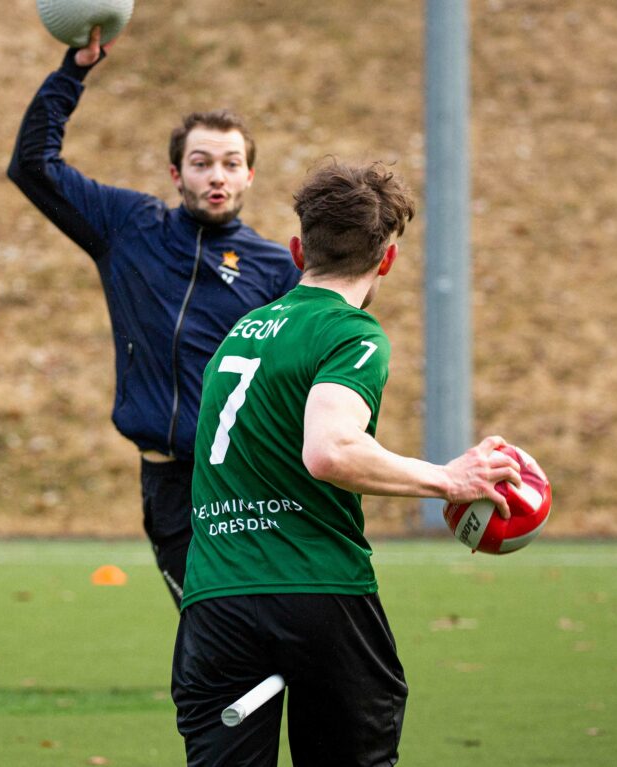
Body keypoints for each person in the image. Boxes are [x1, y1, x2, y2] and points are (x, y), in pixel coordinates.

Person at [171, 160, 523, 766]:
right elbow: (330, 450)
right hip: (318, 595)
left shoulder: (241, 333)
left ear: (298, 248)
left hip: (216, 603)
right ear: (386, 259)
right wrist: (449, 478)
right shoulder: (349, 332)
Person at [8, 29, 301, 608]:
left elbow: (307, 377)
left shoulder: (276, 270)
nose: (215, 175)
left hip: (245, 484)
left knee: (249, 641)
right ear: (176, 175)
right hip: (168, 485)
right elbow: (32, 167)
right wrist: (73, 72)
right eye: (201, 163)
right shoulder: (129, 227)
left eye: (230, 163)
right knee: (212, 635)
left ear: (248, 177)